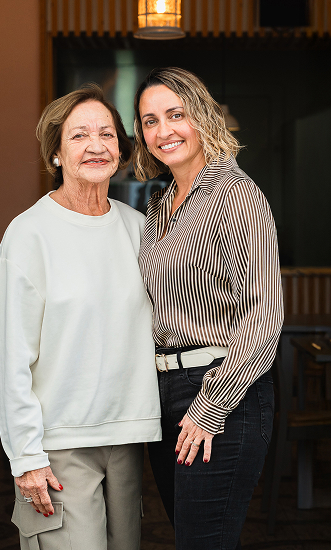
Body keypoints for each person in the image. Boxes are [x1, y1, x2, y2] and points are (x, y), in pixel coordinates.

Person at [0, 83, 161, 550]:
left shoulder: (138, 228)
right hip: (58, 444)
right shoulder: (29, 235)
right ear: (57, 153)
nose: (96, 145)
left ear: (121, 149)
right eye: (79, 135)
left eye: (107, 134)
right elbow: (9, 359)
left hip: (127, 436)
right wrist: (26, 456)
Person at [133, 67, 284, 550]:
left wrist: (209, 405)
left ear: (201, 116)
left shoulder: (234, 193)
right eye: (150, 121)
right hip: (163, 394)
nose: (164, 130)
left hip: (222, 392)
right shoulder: (159, 207)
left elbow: (264, 314)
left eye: (176, 115)